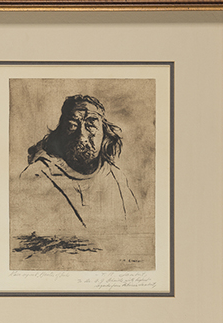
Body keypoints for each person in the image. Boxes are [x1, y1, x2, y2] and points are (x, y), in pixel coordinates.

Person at [17, 94, 140, 231]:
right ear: (61, 133)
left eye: (91, 125)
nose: (82, 136)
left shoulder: (117, 178)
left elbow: (135, 228)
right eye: (72, 125)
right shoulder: (36, 177)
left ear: (104, 133)